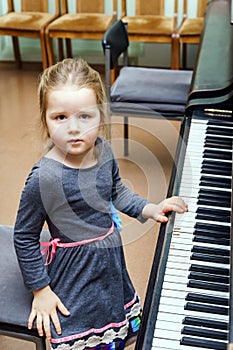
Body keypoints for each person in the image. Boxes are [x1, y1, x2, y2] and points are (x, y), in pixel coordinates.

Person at [14, 57, 188, 350]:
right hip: (76, 273)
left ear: (101, 117)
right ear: (45, 120)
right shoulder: (45, 178)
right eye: (60, 117)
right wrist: (40, 289)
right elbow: (24, 236)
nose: (73, 128)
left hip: (109, 261)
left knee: (116, 330)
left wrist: (151, 208)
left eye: (85, 116)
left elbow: (117, 192)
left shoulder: (103, 151)